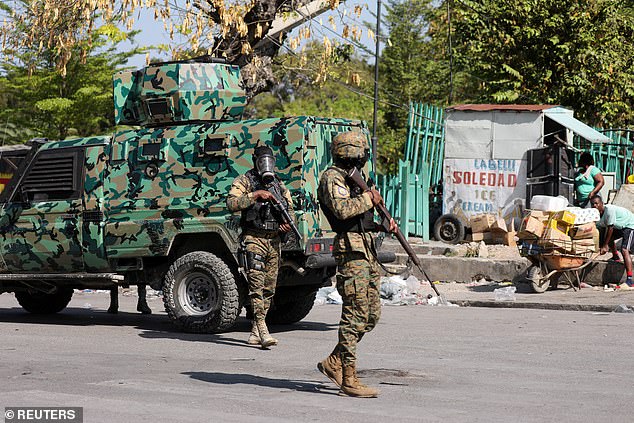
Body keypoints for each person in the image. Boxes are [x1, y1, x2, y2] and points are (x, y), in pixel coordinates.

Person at [317, 132, 397, 398]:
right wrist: (369, 198)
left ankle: (333, 361)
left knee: (371, 315)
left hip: (367, 248)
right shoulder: (333, 177)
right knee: (354, 314)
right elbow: (341, 211)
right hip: (350, 251)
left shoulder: (357, 177)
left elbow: (363, 217)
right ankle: (349, 379)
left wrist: (384, 222)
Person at [226, 145, 294, 348]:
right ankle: (263, 329)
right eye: (262, 159)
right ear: (255, 160)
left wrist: (286, 225)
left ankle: (255, 331)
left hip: (273, 241)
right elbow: (231, 203)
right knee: (256, 287)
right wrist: (255, 195)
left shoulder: (278, 184)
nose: (266, 163)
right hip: (254, 239)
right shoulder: (245, 181)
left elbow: (289, 209)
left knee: (268, 289)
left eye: (269, 159)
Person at [590, 194, 634, 288]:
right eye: (593, 204)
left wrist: (605, 246)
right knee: (609, 239)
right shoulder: (598, 215)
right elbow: (601, 231)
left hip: (630, 225)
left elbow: (610, 228)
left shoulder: (609, 210)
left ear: (602, 203)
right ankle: (615, 256)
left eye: (596, 203)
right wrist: (601, 246)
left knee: (624, 250)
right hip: (621, 226)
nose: (595, 206)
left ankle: (630, 280)